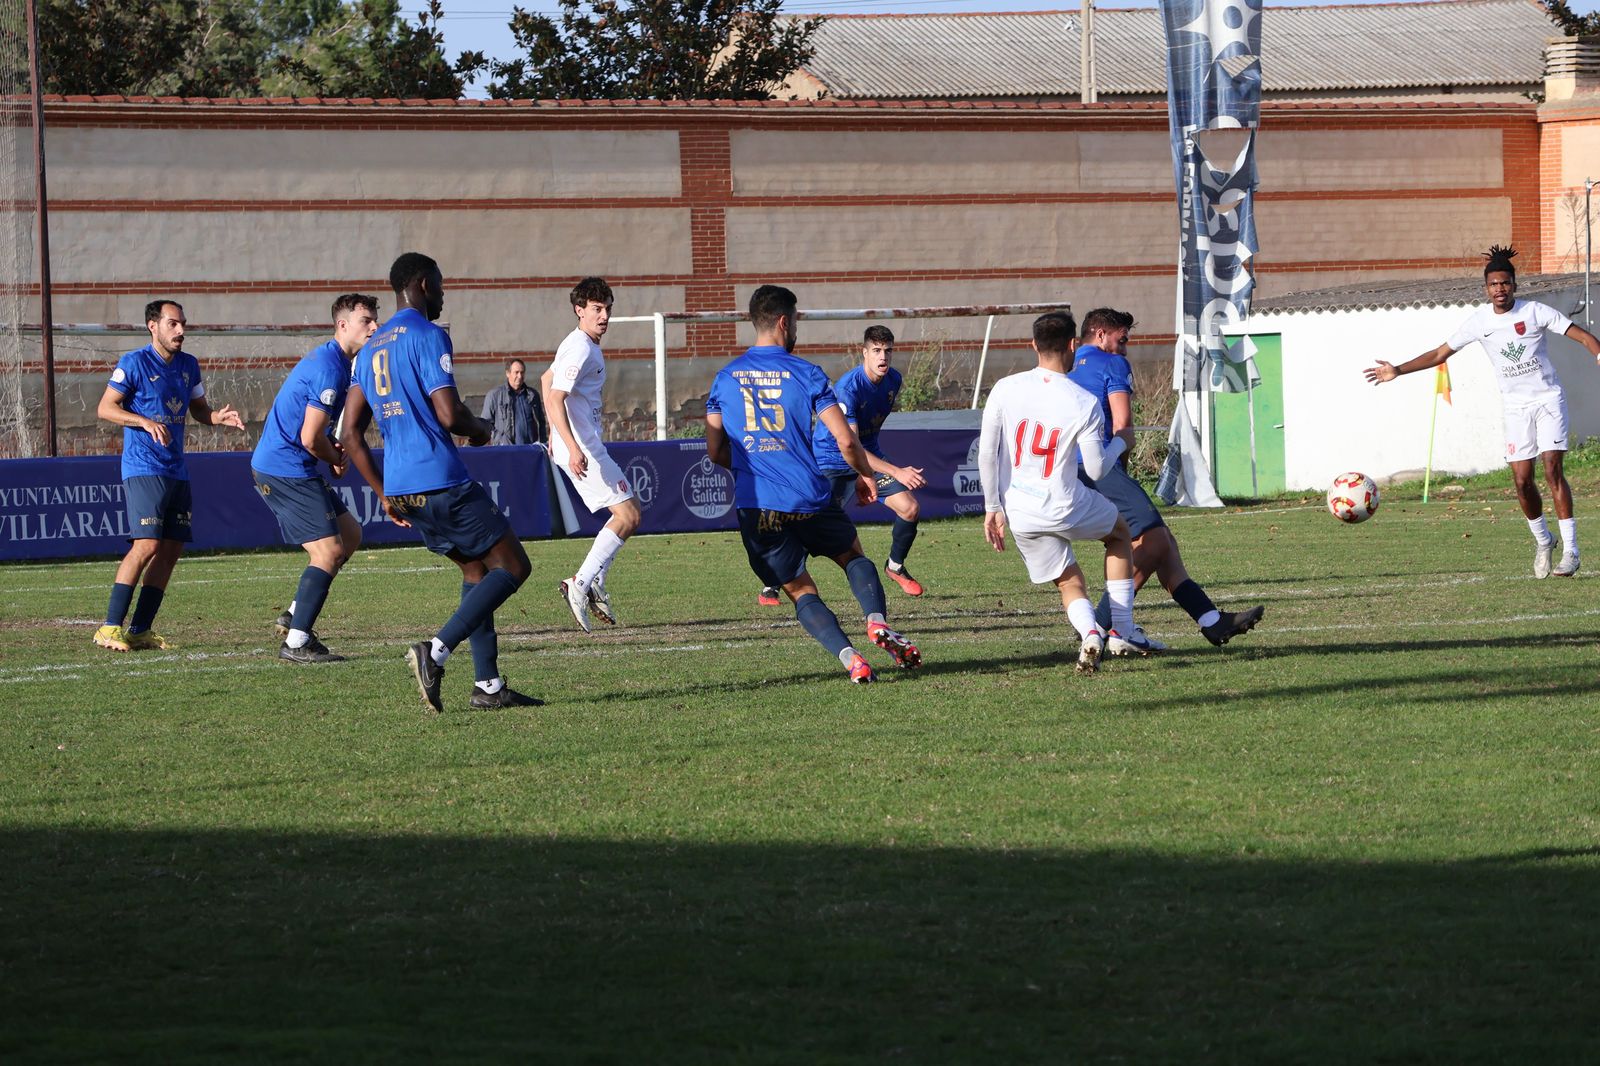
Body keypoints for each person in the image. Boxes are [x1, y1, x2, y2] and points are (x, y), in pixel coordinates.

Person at [339, 252, 541, 712]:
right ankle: (435, 650)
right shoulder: (429, 335)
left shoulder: (369, 349)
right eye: (442, 283)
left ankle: (487, 687)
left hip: (404, 488)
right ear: (424, 284)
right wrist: (484, 430)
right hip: (440, 479)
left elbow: (350, 434)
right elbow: (449, 414)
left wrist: (383, 492)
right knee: (514, 566)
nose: (445, 292)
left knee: (477, 571)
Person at [706, 284, 923, 683]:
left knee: (801, 590)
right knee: (853, 557)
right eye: (797, 321)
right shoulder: (806, 373)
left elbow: (716, 450)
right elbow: (845, 439)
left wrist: (756, 462)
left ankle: (851, 660)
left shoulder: (724, 379)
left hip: (758, 507)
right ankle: (876, 622)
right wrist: (866, 474)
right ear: (784, 322)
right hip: (808, 495)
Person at [1364, 244, 1600, 577]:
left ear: (1514, 285)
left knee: (1552, 470)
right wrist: (1398, 370)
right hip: (1516, 409)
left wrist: (1598, 355)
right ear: (1486, 288)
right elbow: (1439, 354)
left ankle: (1572, 551)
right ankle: (1544, 541)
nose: (1499, 289)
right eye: (1493, 284)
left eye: (1505, 283)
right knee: (1521, 482)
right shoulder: (1479, 322)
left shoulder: (1535, 312)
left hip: (1548, 400)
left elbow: (1583, 336)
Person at [1069, 308, 1265, 652]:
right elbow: (1123, 426)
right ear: (1100, 335)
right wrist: (1122, 471)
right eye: (1122, 339)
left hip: (1067, 469)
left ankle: (1211, 620)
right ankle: (1100, 628)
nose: (1126, 348)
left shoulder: (1068, 366)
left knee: (1165, 543)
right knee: (1154, 541)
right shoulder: (1112, 364)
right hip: (1095, 466)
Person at [978, 311, 1141, 674]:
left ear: (1033, 345)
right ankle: (1123, 629)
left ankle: (1089, 634)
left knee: (1068, 581)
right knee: (1119, 535)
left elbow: (987, 452)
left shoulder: (1005, 388)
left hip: (1020, 509)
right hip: (1065, 501)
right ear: (1072, 345)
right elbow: (1097, 468)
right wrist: (1120, 442)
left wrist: (992, 506)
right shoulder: (1082, 401)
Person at [92, 300, 246, 652]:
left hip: (177, 468)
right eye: (173, 324)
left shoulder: (189, 365)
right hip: (144, 467)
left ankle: (140, 629)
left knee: (171, 550)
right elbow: (106, 408)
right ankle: (109, 627)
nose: (181, 331)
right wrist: (143, 421)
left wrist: (216, 418)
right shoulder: (133, 363)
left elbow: (199, 410)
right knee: (146, 545)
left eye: (183, 324)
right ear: (153, 326)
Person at [252, 293, 380, 663]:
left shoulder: (338, 362)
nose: (373, 327)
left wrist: (332, 454)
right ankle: (296, 642)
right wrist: (335, 456)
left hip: (294, 464)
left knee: (351, 535)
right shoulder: (330, 367)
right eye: (366, 321)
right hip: (283, 467)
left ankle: (295, 612)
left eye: (375, 320)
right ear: (343, 325)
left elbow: (315, 435)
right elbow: (310, 438)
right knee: (329, 551)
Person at [774, 324, 927, 608]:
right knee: (812, 526)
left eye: (888, 351)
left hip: (865, 457)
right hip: (832, 459)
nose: (883, 357)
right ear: (864, 353)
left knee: (910, 508)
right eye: (877, 351)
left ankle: (894, 566)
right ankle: (773, 580)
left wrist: (868, 473)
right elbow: (851, 446)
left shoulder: (894, 380)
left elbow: (863, 446)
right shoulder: (848, 388)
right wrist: (894, 471)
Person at [542, 277, 639, 633]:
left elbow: (544, 379)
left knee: (631, 513)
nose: (604, 316)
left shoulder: (577, 344)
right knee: (627, 515)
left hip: (582, 444)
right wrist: (569, 446)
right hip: (583, 448)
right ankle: (580, 584)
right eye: (596, 309)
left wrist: (555, 434)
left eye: (607, 309)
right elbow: (554, 397)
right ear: (579, 310)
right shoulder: (581, 348)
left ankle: (594, 582)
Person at [481, 358, 547, 446]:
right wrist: (500, 440)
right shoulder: (494, 396)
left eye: (522, 372)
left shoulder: (532, 395)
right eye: (516, 372)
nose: (520, 376)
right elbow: (485, 424)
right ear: (508, 373)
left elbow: (541, 422)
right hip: (505, 451)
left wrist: (543, 445)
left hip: (529, 450)